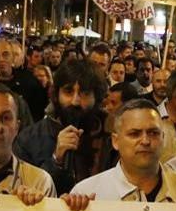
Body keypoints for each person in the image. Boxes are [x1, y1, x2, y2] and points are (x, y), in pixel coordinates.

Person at [13, 59, 109, 194]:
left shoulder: (111, 138)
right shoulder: (30, 138)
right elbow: (25, 191)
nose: (75, 101)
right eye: (68, 92)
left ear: (96, 97)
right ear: (57, 94)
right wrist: (56, 161)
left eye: (84, 93)